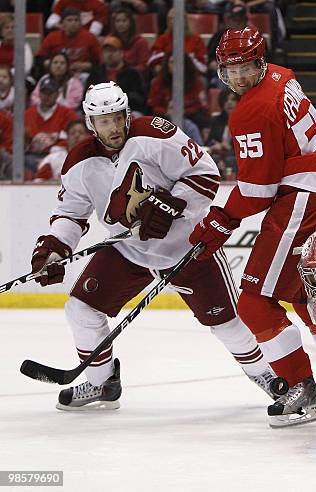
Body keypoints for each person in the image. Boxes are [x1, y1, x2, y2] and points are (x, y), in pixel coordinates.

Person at [29, 82, 275, 410]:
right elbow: (71, 214)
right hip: (129, 249)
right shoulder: (79, 161)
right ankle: (102, 383)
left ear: (127, 113)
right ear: (91, 124)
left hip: (188, 246)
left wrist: (172, 205)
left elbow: (205, 175)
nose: (113, 127)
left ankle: (268, 377)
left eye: (118, 117)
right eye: (104, 121)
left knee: (227, 324)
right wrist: (56, 248)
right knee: (80, 309)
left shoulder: (156, 134)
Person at [188, 27, 316, 427]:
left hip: (305, 199)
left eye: (245, 68)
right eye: (230, 70)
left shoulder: (251, 109)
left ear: (259, 62)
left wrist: (220, 219)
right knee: (309, 298)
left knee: (253, 302)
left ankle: (300, 389)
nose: (237, 78)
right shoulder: (282, 75)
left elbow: (258, 190)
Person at [25, 77, 79, 180]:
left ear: (57, 94)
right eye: (44, 92)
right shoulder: (28, 114)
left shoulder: (68, 114)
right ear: (39, 94)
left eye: (51, 93)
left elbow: (70, 140)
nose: (47, 96)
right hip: (32, 158)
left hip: (58, 156)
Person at [85, 36, 148, 116]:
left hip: (128, 110)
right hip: (100, 111)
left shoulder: (132, 73)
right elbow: (88, 96)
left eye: (113, 51)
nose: (109, 54)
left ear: (121, 53)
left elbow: (139, 98)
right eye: (106, 51)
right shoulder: (96, 74)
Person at [36, 7, 102, 78]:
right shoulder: (52, 37)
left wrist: (85, 65)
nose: (73, 23)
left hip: (81, 74)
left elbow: (99, 62)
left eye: (76, 20)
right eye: (69, 20)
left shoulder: (90, 37)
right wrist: (54, 65)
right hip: (56, 75)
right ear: (62, 23)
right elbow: (39, 58)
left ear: (80, 23)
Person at [110, 7, 151, 74]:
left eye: (124, 21)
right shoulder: (110, 40)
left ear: (131, 22)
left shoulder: (141, 42)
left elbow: (144, 65)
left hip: (133, 77)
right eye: (117, 21)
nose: (120, 24)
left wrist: (128, 72)